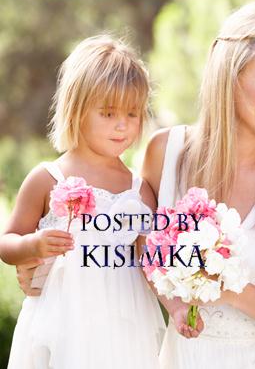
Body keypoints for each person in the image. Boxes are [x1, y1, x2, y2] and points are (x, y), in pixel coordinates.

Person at [142, 1, 255, 366]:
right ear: (229, 77)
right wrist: (177, 304)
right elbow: (142, 249)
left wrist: (230, 290)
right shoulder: (165, 153)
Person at [1, 35, 165, 368]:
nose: (122, 125)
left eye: (132, 114)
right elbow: (7, 243)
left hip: (127, 325)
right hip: (65, 320)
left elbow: (150, 263)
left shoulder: (140, 190)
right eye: (108, 113)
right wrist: (34, 245)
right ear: (77, 109)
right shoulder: (47, 179)